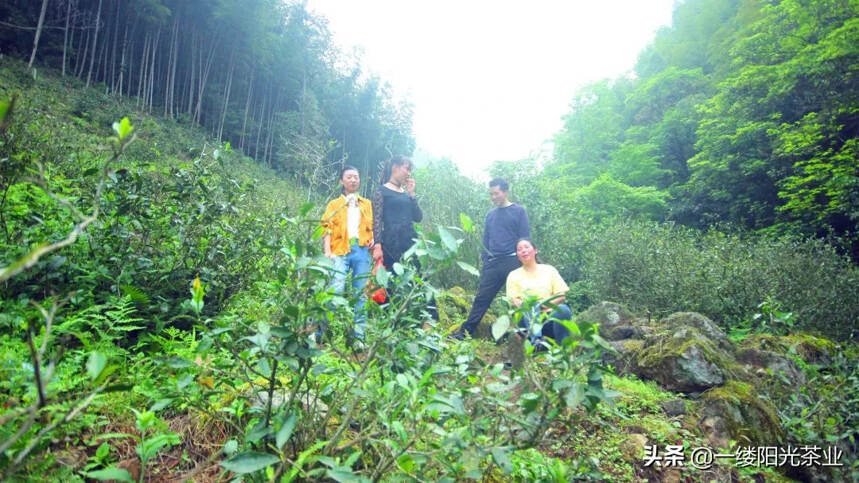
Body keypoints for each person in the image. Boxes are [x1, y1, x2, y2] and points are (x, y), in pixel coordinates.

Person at [452, 178, 530, 339]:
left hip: (513, 262)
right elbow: (485, 240)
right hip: (493, 263)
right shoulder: (490, 215)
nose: (493, 197)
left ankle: (527, 337)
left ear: (506, 192)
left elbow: (525, 238)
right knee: (482, 299)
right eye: (491, 194)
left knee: (519, 300)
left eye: (496, 193)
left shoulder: (518, 211)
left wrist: (523, 262)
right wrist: (486, 260)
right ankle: (465, 333)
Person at [321, 165, 374, 340]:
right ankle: (319, 333)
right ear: (342, 181)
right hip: (339, 250)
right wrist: (327, 251)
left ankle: (358, 337)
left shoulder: (366, 204)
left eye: (356, 177)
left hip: (362, 251)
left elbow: (372, 225)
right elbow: (326, 228)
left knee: (361, 294)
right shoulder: (334, 204)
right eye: (349, 177)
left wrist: (373, 237)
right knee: (336, 289)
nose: (353, 180)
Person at [506, 238, 572, 349]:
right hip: (527, 320)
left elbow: (561, 295)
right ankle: (536, 341)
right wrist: (532, 306)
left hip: (549, 317)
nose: (523, 251)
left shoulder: (549, 270)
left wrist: (543, 305)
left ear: (535, 250)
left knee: (564, 310)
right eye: (519, 249)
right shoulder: (513, 275)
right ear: (517, 255)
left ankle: (563, 350)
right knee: (530, 303)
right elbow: (513, 301)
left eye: (527, 247)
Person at [372, 155, 423, 269]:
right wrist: (377, 246)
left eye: (410, 170)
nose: (409, 173)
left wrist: (411, 194)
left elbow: (418, 217)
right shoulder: (380, 191)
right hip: (391, 243)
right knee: (393, 280)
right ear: (395, 167)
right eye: (407, 169)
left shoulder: (406, 194)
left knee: (413, 277)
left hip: (410, 242)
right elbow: (377, 221)